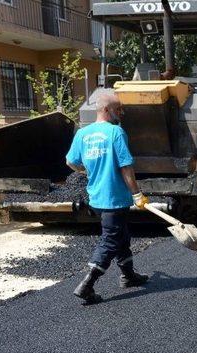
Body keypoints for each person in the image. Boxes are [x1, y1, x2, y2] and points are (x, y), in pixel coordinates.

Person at [66, 90, 150, 305]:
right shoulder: (116, 133)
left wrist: (90, 172)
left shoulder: (82, 134)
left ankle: (128, 276)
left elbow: (71, 162)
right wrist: (137, 194)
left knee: (121, 235)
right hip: (115, 198)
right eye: (117, 109)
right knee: (110, 239)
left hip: (96, 198)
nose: (121, 113)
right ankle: (87, 285)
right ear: (105, 110)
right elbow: (126, 167)